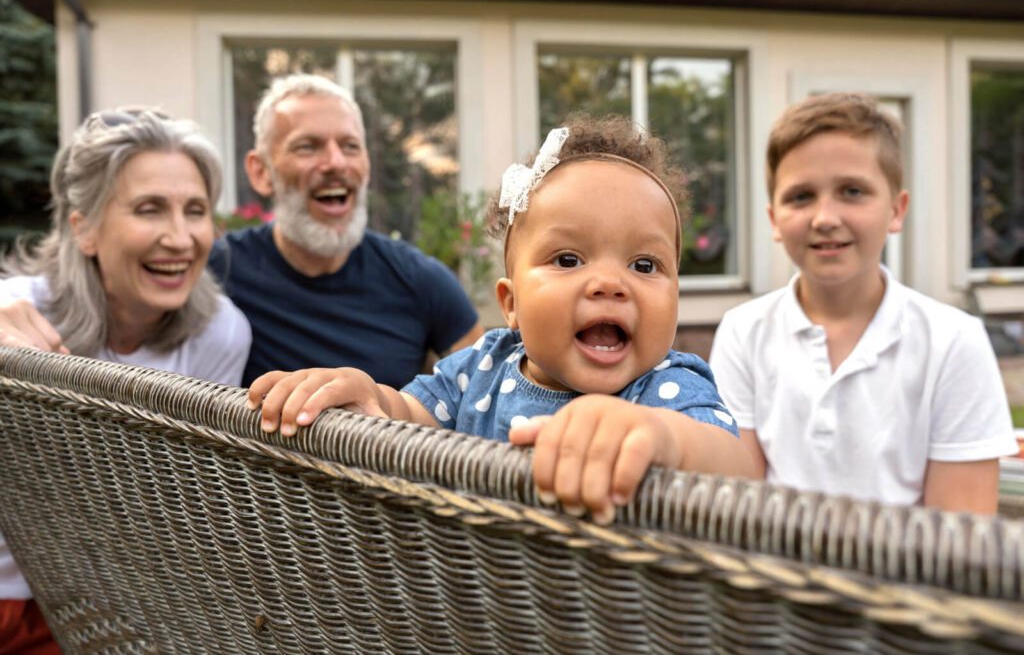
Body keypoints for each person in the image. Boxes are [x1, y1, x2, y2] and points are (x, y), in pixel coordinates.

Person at [248, 115, 756, 524]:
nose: (610, 283)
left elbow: (735, 468)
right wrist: (368, 395)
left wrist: (660, 437)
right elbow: (409, 416)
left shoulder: (666, 388)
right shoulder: (483, 368)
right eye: (568, 260)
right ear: (510, 304)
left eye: (644, 265)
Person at [0, 107, 251, 652]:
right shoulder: (16, 314)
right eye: (149, 210)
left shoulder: (219, 333)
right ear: (83, 228)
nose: (181, 238)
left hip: (111, 607)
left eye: (196, 210)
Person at [709, 92, 1018, 514]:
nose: (825, 217)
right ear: (773, 219)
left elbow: (960, 539)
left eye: (852, 191)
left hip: (908, 578)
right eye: (801, 196)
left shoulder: (954, 342)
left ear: (896, 210)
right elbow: (739, 506)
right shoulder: (742, 332)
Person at [208, 73, 484, 387]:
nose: (336, 163)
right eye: (307, 147)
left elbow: (484, 395)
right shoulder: (218, 270)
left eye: (350, 146)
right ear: (261, 172)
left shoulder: (420, 280)